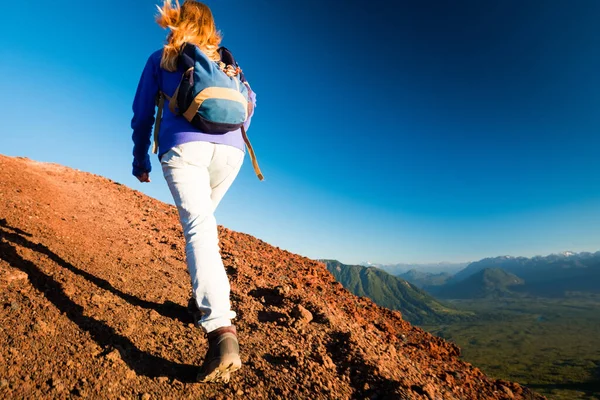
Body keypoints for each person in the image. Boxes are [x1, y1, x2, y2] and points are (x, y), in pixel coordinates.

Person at [130, 0, 256, 383]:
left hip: (184, 148)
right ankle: (200, 301)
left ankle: (221, 334)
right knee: (205, 225)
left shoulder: (163, 59)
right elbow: (251, 104)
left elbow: (142, 113)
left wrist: (140, 160)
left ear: (177, 22)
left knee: (199, 229)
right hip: (232, 152)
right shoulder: (226, 63)